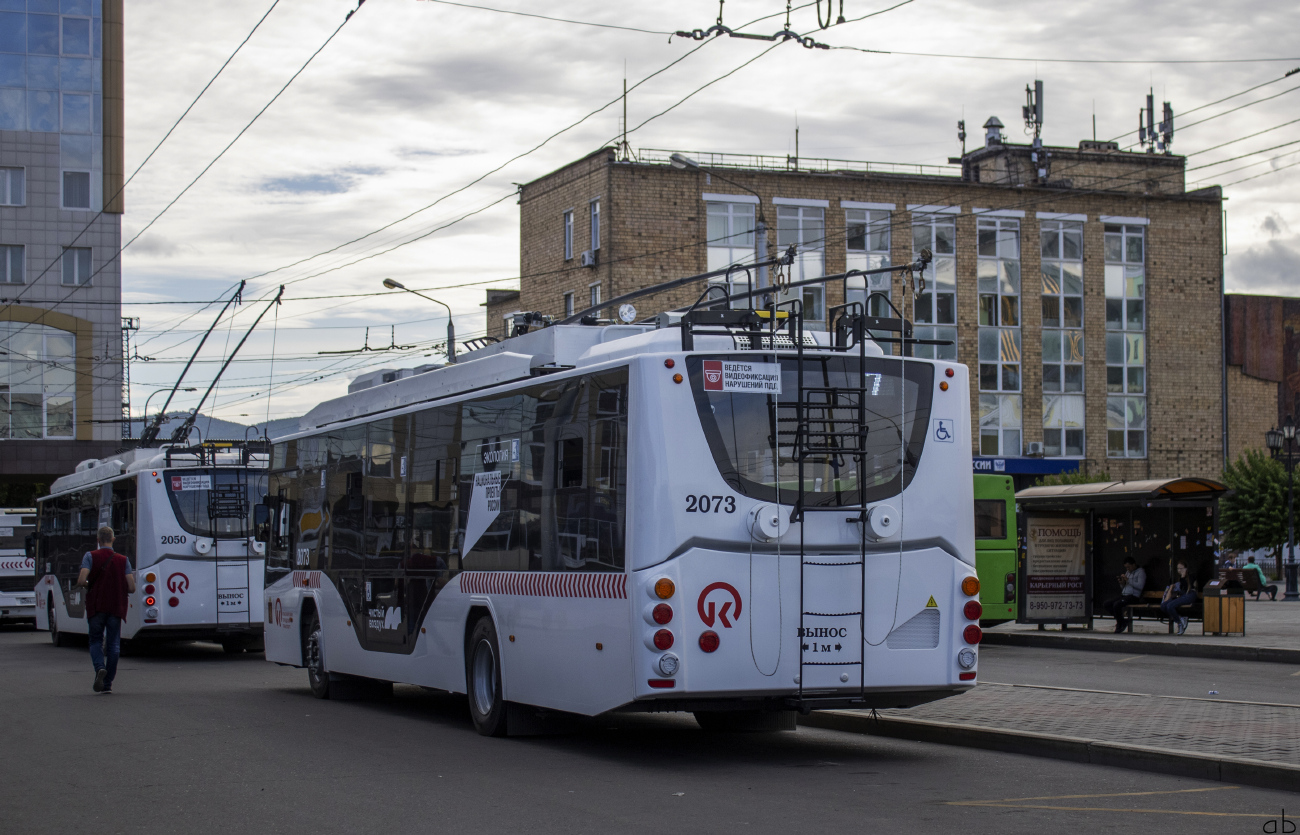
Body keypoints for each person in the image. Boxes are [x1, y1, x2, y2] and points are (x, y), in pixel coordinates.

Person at [76, 525, 136, 694]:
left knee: (95, 640)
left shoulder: (90, 556)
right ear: (113, 539)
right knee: (114, 644)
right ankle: (108, 683)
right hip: (116, 606)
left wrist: (89, 584)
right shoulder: (123, 560)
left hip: (96, 606)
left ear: (98, 540)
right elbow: (131, 587)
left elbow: (81, 580)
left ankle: (99, 668)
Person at [1105, 557, 1146, 633]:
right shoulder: (1128, 572)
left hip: (1134, 596)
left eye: (1129, 567)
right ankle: (1121, 620)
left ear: (1134, 565)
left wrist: (1129, 580)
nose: (1128, 569)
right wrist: (1122, 583)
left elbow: (1140, 586)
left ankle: (1120, 623)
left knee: (1117, 604)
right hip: (1124, 594)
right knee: (1107, 603)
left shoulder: (1141, 572)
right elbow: (1125, 586)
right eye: (1126, 567)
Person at [1160, 559, 1199, 635]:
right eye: (1178, 568)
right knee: (1164, 606)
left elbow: (1187, 587)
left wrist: (1183, 577)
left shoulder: (1191, 576)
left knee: (1170, 606)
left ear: (1186, 568)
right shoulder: (1178, 578)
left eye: (1181, 568)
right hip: (1181, 596)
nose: (1179, 570)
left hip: (1190, 595)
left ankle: (1179, 623)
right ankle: (1180, 618)